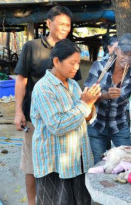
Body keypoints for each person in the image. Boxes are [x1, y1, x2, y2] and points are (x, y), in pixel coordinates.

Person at [14, 5, 80, 205]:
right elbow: (21, 79)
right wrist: (18, 111)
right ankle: (32, 202)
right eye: (60, 24)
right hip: (36, 119)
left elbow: (75, 84)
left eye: (68, 25)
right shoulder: (32, 47)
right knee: (32, 165)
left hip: (62, 118)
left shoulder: (71, 50)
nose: (64, 28)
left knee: (60, 164)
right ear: (49, 23)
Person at [30, 39, 100, 205]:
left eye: (78, 62)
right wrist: (85, 104)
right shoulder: (44, 88)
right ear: (56, 61)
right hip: (55, 164)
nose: (76, 67)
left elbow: (86, 118)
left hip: (78, 161)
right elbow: (58, 126)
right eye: (72, 63)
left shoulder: (74, 85)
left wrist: (90, 105)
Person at [84, 33, 131, 164]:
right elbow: (86, 97)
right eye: (124, 53)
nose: (127, 58)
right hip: (96, 125)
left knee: (128, 162)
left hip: (119, 125)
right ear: (117, 50)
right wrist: (105, 95)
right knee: (100, 164)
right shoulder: (100, 67)